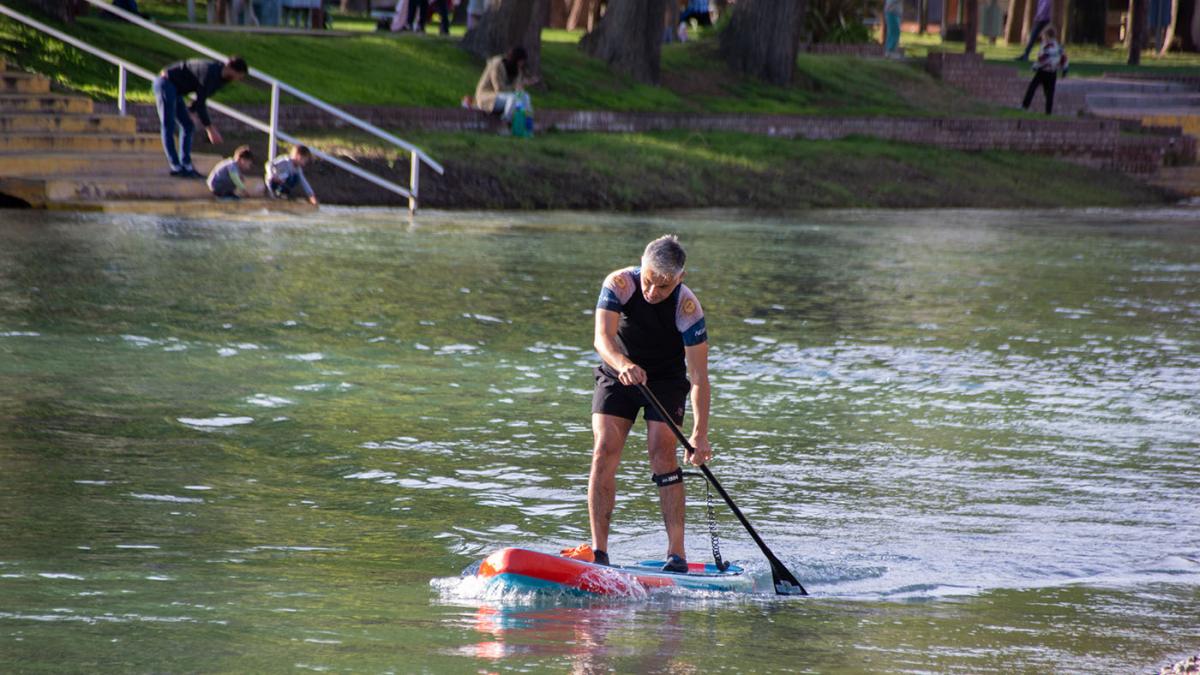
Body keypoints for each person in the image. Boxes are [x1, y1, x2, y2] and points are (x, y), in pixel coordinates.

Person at [588, 235, 711, 573]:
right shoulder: (619, 284)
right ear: (641, 265)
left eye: (664, 286)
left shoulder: (688, 308)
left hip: (666, 379)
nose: (653, 292)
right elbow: (602, 338)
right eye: (649, 281)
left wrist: (700, 434)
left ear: (679, 279)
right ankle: (600, 553)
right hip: (618, 367)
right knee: (605, 446)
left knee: (662, 451)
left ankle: (677, 554)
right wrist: (623, 364)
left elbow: (699, 377)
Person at [152, 56, 248, 178]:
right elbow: (201, 101)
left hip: (177, 89)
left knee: (188, 125)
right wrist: (210, 129)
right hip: (166, 83)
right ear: (231, 69)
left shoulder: (221, 79)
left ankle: (186, 165)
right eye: (239, 75)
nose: (238, 79)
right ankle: (175, 166)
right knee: (168, 124)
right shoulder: (210, 71)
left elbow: (200, 98)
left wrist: (191, 111)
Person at [473, 47, 533, 122]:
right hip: (489, 97)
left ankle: (527, 123)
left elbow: (517, 88)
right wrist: (515, 88)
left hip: (504, 97)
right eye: (520, 62)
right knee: (513, 98)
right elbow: (499, 88)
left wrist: (521, 86)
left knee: (525, 96)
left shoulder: (516, 70)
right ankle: (505, 121)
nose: (521, 64)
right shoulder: (497, 65)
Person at [1022, 25, 1068, 115]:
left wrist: (1034, 67)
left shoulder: (1047, 47)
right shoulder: (1059, 47)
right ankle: (1048, 111)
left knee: (1032, 88)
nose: (1042, 38)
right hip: (1053, 73)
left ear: (1047, 36)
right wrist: (1064, 70)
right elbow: (1064, 59)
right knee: (1049, 93)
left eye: (1043, 36)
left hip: (1043, 72)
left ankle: (1025, 106)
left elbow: (1042, 59)